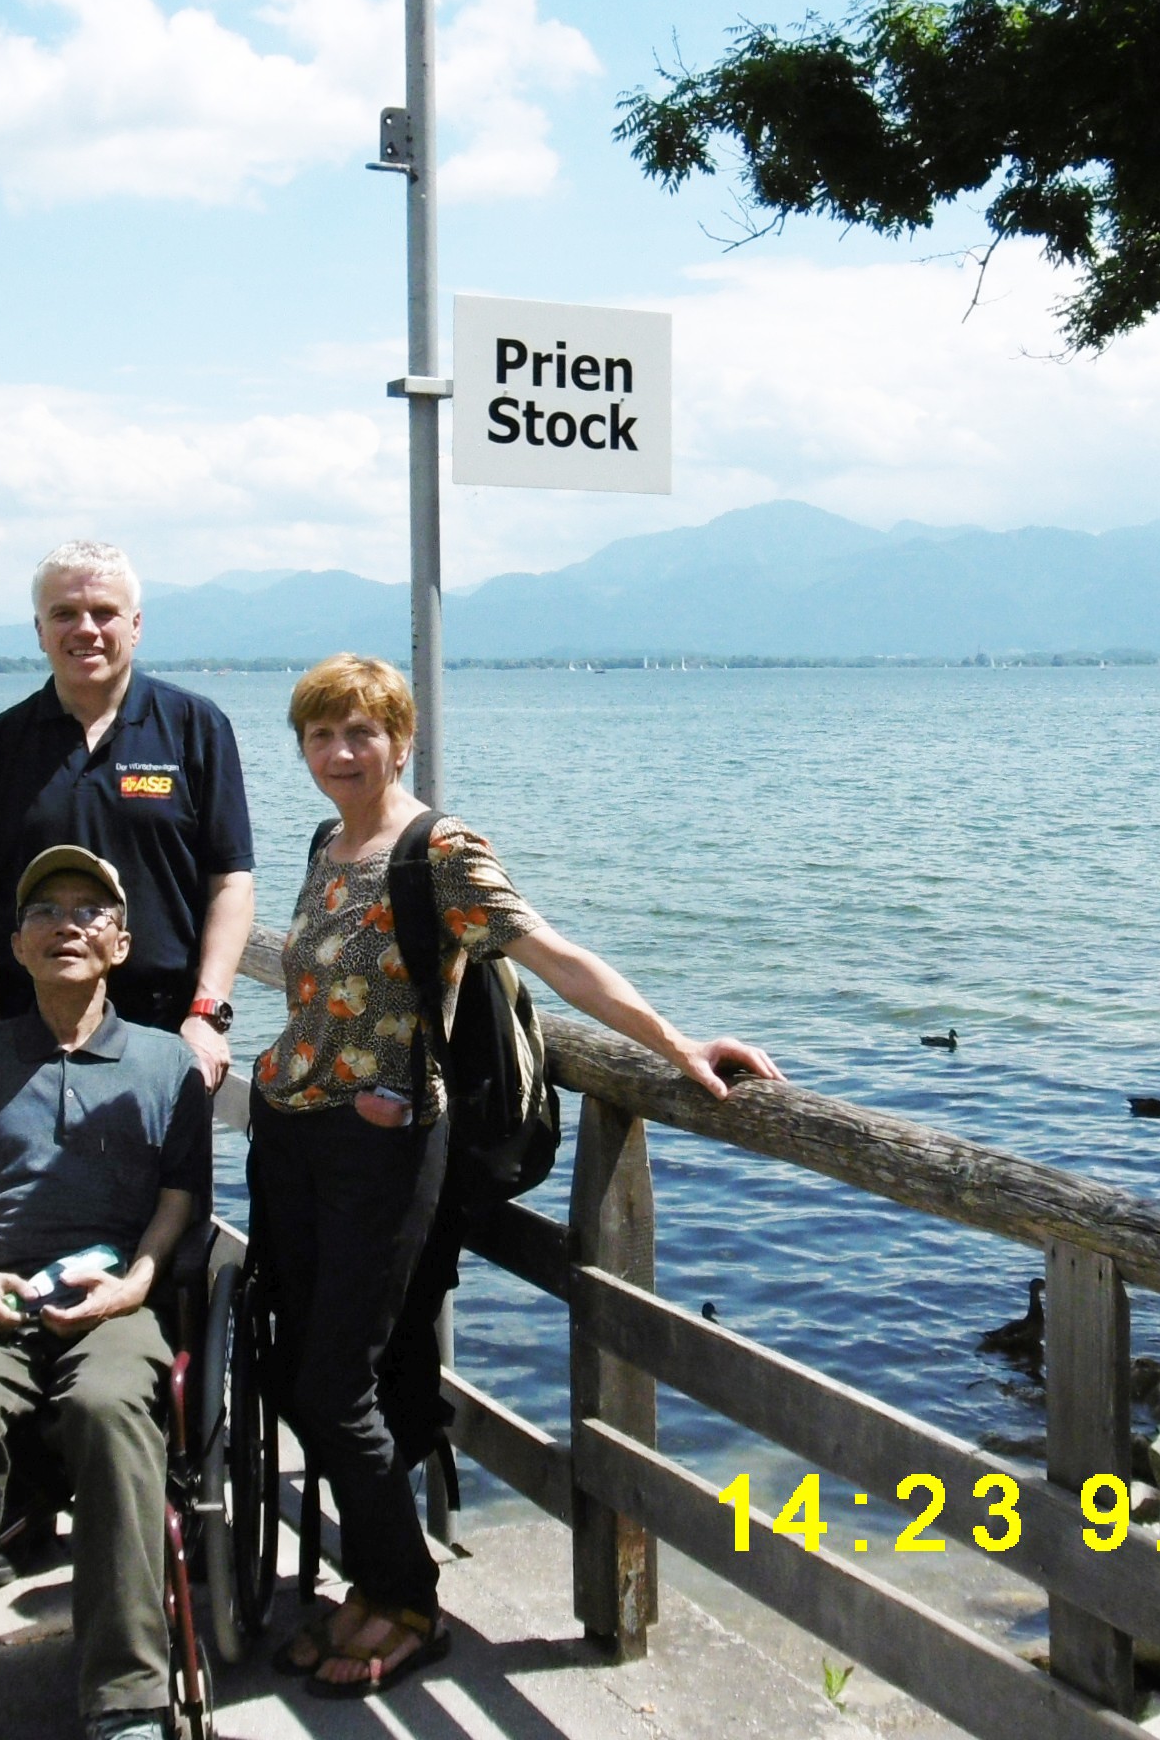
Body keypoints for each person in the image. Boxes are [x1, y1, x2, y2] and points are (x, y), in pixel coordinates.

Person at [251, 653, 782, 1696]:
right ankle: (371, 1580)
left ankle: (406, 1598)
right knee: (292, 1366)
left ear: (401, 740)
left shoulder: (438, 849)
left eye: (362, 732)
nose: (341, 752)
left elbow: (555, 955)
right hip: (293, 1135)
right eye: (321, 734)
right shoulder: (327, 842)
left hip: (383, 1148)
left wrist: (674, 1041)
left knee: (337, 1380)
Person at [0, 845, 210, 1740]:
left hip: (116, 1299)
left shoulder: (165, 1065)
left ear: (120, 945)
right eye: (45, 912)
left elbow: (181, 1202)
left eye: (90, 912)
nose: (67, 924)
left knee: (114, 1410)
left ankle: (127, 1698)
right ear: (18, 944)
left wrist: (133, 1287)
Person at [0, 542, 253, 1090]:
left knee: (170, 1181)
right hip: (25, 1039)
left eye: (104, 612)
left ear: (135, 626)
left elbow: (230, 880)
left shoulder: (195, 729)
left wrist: (206, 1015)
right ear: (39, 630)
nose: (85, 629)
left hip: (165, 1038)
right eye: (64, 613)